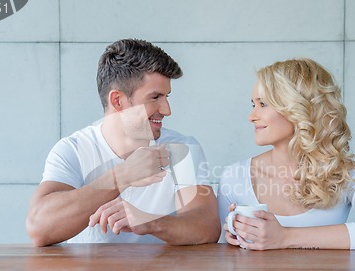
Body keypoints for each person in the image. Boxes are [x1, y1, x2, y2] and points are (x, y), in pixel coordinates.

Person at [27, 39, 220, 246]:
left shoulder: (182, 148)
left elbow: (207, 227)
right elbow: (39, 228)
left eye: (166, 97)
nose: (167, 110)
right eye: (155, 97)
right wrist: (122, 176)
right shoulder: (73, 150)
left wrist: (152, 223)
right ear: (118, 100)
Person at [217, 58, 355, 251]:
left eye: (263, 104)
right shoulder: (234, 176)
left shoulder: (345, 172)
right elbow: (220, 251)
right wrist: (233, 238)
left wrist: (284, 237)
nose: (252, 116)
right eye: (253, 105)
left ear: (298, 107)